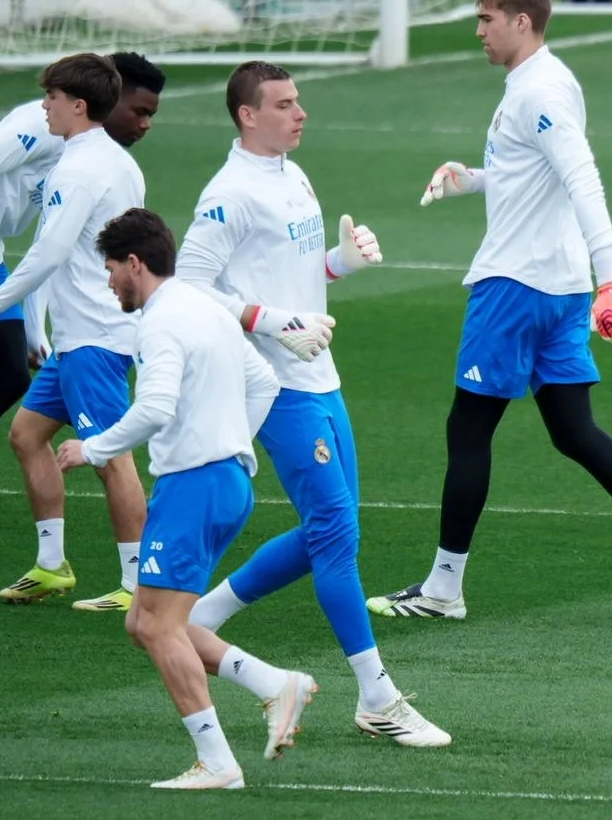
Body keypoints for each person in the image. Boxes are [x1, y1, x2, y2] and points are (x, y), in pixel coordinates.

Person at [371, 0, 612, 628]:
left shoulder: (541, 89)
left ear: (522, 22)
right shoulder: (543, 84)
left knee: (468, 429)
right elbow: (531, 172)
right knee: (572, 429)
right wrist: (469, 178)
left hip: (517, 286)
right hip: (558, 286)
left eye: (487, 19)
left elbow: (582, 176)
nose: (478, 31)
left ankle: (444, 587)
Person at [177, 60, 450, 748]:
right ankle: (377, 697)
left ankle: (201, 615)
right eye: (286, 104)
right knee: (335, 529)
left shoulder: (292, 173)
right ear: (247, 114)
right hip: (273, 383)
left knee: (333, 525)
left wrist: (340, 262)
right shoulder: (229, 192)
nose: (301, 113)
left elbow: (295, 272)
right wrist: (269, 321)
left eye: (299, 101)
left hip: (320, 372)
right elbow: (188, 284)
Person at [57, 207, 314, 789]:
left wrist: (93, 449)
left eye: (110, 269)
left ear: (134, 263)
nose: (109, 282)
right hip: (224, 482)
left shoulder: (160, 323)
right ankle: (273, 684)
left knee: (157, 627)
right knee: (146, 620)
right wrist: (230, 441)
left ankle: (219, 763)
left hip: (193, 486)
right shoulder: (205, 308)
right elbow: (264, 382)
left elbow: (154, 408)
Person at [0, 53, 151, 611]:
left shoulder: (76, 169)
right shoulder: (116, 163)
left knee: (111, 456)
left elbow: (48, 255)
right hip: (80, 337)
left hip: (95, 337)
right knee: (26, 435)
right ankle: (51, 565)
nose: (45, 106)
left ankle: (138, 587)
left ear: (78, 106)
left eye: (53, 98)